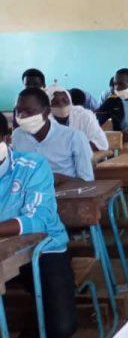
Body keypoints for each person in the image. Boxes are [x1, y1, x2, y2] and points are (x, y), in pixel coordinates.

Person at [0, 113, 77, 337]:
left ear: (7, 140)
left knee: (61, 327)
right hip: (4, 253)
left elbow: (39, 219)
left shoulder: (32, 165)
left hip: (43, 250)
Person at [12, 88, 94, 183]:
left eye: (29, 111)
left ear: (46, 112)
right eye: (18, 111)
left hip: (66, 191)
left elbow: (87, 181)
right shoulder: (17, 135)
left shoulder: (74, 137)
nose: (22, 116)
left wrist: (58, 179)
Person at [46, 86, 109, 152]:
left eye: (65, 100)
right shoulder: (44, 120)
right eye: (55, 103)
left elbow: (101, 143)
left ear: (70, 100)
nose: (61, 104)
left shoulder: (84, 115)